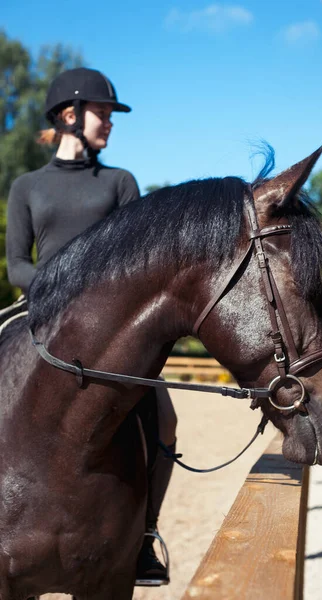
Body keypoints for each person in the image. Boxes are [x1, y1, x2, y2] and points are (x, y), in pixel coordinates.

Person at [4, 67, 176, 586]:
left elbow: (134, 263)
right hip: (35, 312)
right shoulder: (27, 186)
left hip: (106, 329)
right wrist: (57, 294)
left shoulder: (120, 183)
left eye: (109, 115)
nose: (110, 123)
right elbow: (16, 264)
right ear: (69, 115)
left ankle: (144, 537)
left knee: (164, 417)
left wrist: (90, 303)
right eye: (103, 112)